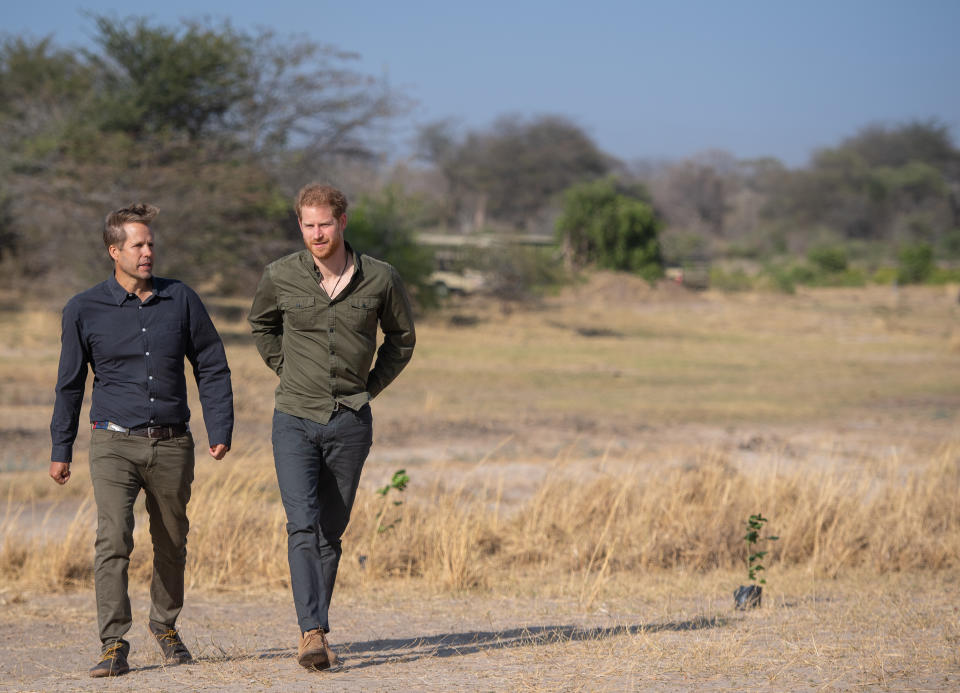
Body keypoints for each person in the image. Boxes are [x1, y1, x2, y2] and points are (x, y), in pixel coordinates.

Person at [49, 203, 234, 677]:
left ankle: (165, 624)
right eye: (138, 245)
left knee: (172, 539)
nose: (149, 251)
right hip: (112, 442)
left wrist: (220, 428)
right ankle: (113, 643)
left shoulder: (182, 299)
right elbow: (70, 384)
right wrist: (60, 449)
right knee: (113, 538)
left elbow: (211, 364)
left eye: (151, 243)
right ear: (115, 251)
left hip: (173, 443)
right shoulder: (82, 308)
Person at [248, 183, 415, 670]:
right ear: (299, 225)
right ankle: (312, 633)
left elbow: (402, 340)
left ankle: (315, 625)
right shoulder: (280, 275)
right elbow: (262, 326)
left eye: (324, 224)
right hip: (293, 420)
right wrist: (289, 370)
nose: (316, 234)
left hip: (350, 422)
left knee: (331, 531)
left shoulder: (380, 278)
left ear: (342, 222)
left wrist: (368, 387)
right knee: (301, 523)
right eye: (307, 225)